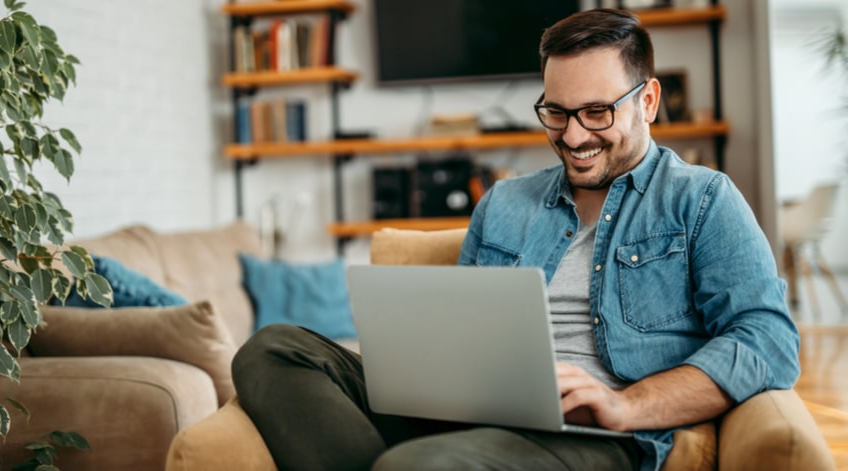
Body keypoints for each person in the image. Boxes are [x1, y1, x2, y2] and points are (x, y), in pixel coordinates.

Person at [232, 8, 800, 471]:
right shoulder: (504, 202)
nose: (574, 135)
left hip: (593, 436)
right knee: (274, 348)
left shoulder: (702, 200)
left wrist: (627, 406)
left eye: (597, 112)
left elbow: (768, 340)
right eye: (556, 112)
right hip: (472, 415)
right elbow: (461, 335)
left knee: (424, 466)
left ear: (648, 101)